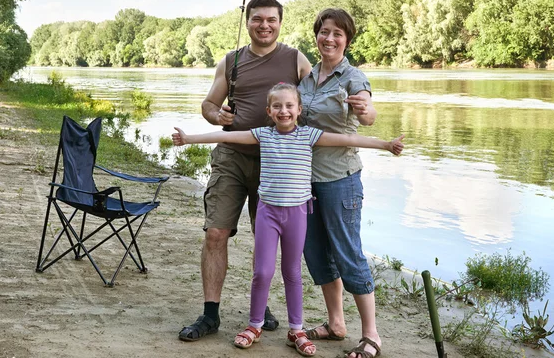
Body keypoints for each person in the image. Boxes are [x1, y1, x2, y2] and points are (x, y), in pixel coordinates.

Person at [172, 83, 404, 356]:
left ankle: (297, 329)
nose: (284, 111)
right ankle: (254, 325)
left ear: (299, 110)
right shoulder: (263, 135)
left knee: (292, 273)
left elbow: (348, 140)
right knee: (262, 272)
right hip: (268, 213)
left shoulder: (309, 135)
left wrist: (385, 144)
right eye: (278, 107)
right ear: (269, 111)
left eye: (289, 106)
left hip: (296, 214)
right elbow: (229, 137)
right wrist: (189, 139)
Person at [177, 0, 312, 342]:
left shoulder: (297, 60)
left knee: (263, 238)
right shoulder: (231, 61)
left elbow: (315, 105)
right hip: (231, 157)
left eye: (271, 19)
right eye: (257, 19)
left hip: (276, 163)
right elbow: (209, 104)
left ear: (280, 22)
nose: (264, 25)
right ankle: (210, 315)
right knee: (215, 233)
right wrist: (216, 115)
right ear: (248, 20)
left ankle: (260, 306)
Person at [297, 8, 387, 358]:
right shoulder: (307, 78)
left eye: (337, 33)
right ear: (317, 35)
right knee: (317, 254)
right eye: (324, 31)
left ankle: (372, 335)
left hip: (341, 180)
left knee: (348, 254)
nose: (329, 38)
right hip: (306, 181)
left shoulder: (354, 77)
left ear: (347, 39)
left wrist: (366, 111)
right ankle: (336, 324)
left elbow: (368, 112)